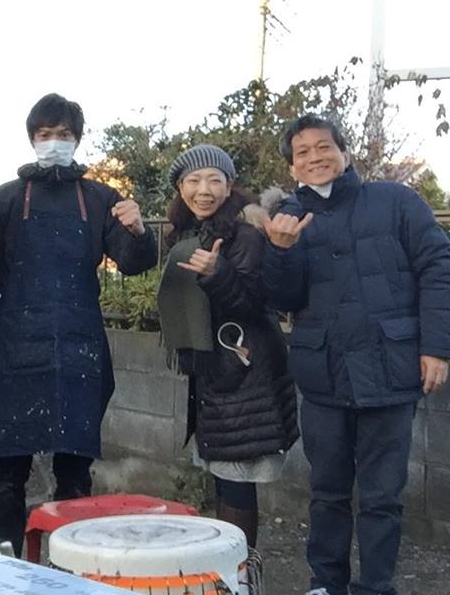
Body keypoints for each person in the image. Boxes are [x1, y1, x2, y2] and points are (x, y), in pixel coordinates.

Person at [262, 115, 450, 595]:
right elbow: (283, 298)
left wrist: (436, 346)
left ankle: (376, 586)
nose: (314, 157)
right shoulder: (286, 216)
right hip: (323, 373)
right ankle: (326, 583)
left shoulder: (396, 201)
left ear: (345, 153)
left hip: (390, 369)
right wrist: (281, 251)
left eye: (323, 147)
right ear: (292, 167)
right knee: (326, 493)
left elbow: (437, 269)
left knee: (383, 496)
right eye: (302, 152)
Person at [0, 93, 158, 556]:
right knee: (7, 475)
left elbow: (135, 263)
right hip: (16, 346)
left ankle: (66, 565)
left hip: (80, 346)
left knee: (74, 476)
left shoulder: (100, 198)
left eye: (63, 135)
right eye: (44, 135)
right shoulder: (6, 198)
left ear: (77, 140)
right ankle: (4, 565)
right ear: (31, 139)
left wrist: (139, 229)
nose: (53, 142)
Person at [156, 143, 299, 549]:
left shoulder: (246, 232)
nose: (204, 189)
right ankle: (232, 572)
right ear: (180, 187)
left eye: (214, 180)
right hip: (216, 374)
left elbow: (257, 303)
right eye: (194, 180)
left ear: (230, 185)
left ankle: (239, 576)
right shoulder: (186, 232)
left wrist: (217, 272)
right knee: (225, 478)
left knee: (237, 483)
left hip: (244, 372)